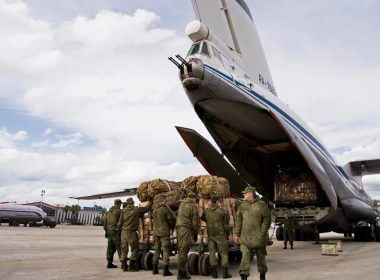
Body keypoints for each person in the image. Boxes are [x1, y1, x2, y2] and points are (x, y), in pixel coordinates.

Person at [235, 186, 271, 280]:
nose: (243, 195)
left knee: (261, 259)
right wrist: (237, 234)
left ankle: (262, 276)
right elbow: (239, 220)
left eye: (245, 193)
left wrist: (262, 232)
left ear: (251, 194)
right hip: (245, 238)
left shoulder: (262, 205)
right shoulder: (242, 206)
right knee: (245, 258)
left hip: (259, 237)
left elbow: (267, 220)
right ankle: (244, 277)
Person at [201, 194, 232, 279]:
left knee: (212, 253)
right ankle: (225, 274)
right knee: (224, 253)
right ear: (218, 201)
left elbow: (203, 218)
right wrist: (228, 234)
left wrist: (207, 209)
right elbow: (226, 225)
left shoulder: (206, 211)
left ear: (210, 201)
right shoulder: (221, 211)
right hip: (221, 235)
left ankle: (214, 273)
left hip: (211, 235)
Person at [117, 197, 151, 272]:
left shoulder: (124, 211)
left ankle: (124, 266)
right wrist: (151, 201)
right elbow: (146, 209)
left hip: (123, 231)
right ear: (132, 202)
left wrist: (119, 231)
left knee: (124, 249)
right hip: (131, 232)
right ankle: (132, 267)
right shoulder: (136, 210)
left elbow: (119, 223)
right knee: (135, 249)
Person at [176, 192, 199, 280]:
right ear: (193, 199)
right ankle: (181, 273)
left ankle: (182, 271)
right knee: (184, 251)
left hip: (179, 229)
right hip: (186, 229)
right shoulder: (193, 206)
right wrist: (195, 234)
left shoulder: (182, 204)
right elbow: (194, 223)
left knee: (181, 249)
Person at [152, 194, 176, 276]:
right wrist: (173, 226)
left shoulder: (154, 209)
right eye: (165, 200)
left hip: (156, 232)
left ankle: (154, 269)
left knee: (157, 249)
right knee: (166, 250)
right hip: (164, 232)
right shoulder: (165, 209)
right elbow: (170, 219)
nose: (166, 201)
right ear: (162, 200)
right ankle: (165, 270)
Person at [103, 199, 122, 269]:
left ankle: (109, 263)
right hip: (115, 232)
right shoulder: (119, 211)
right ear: (119, 204)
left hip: (109, 232)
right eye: (120, 205)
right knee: (120, 247)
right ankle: (123, 264)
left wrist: (106, 230)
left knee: (110, 248)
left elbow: (104, 222)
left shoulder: (108, 212)